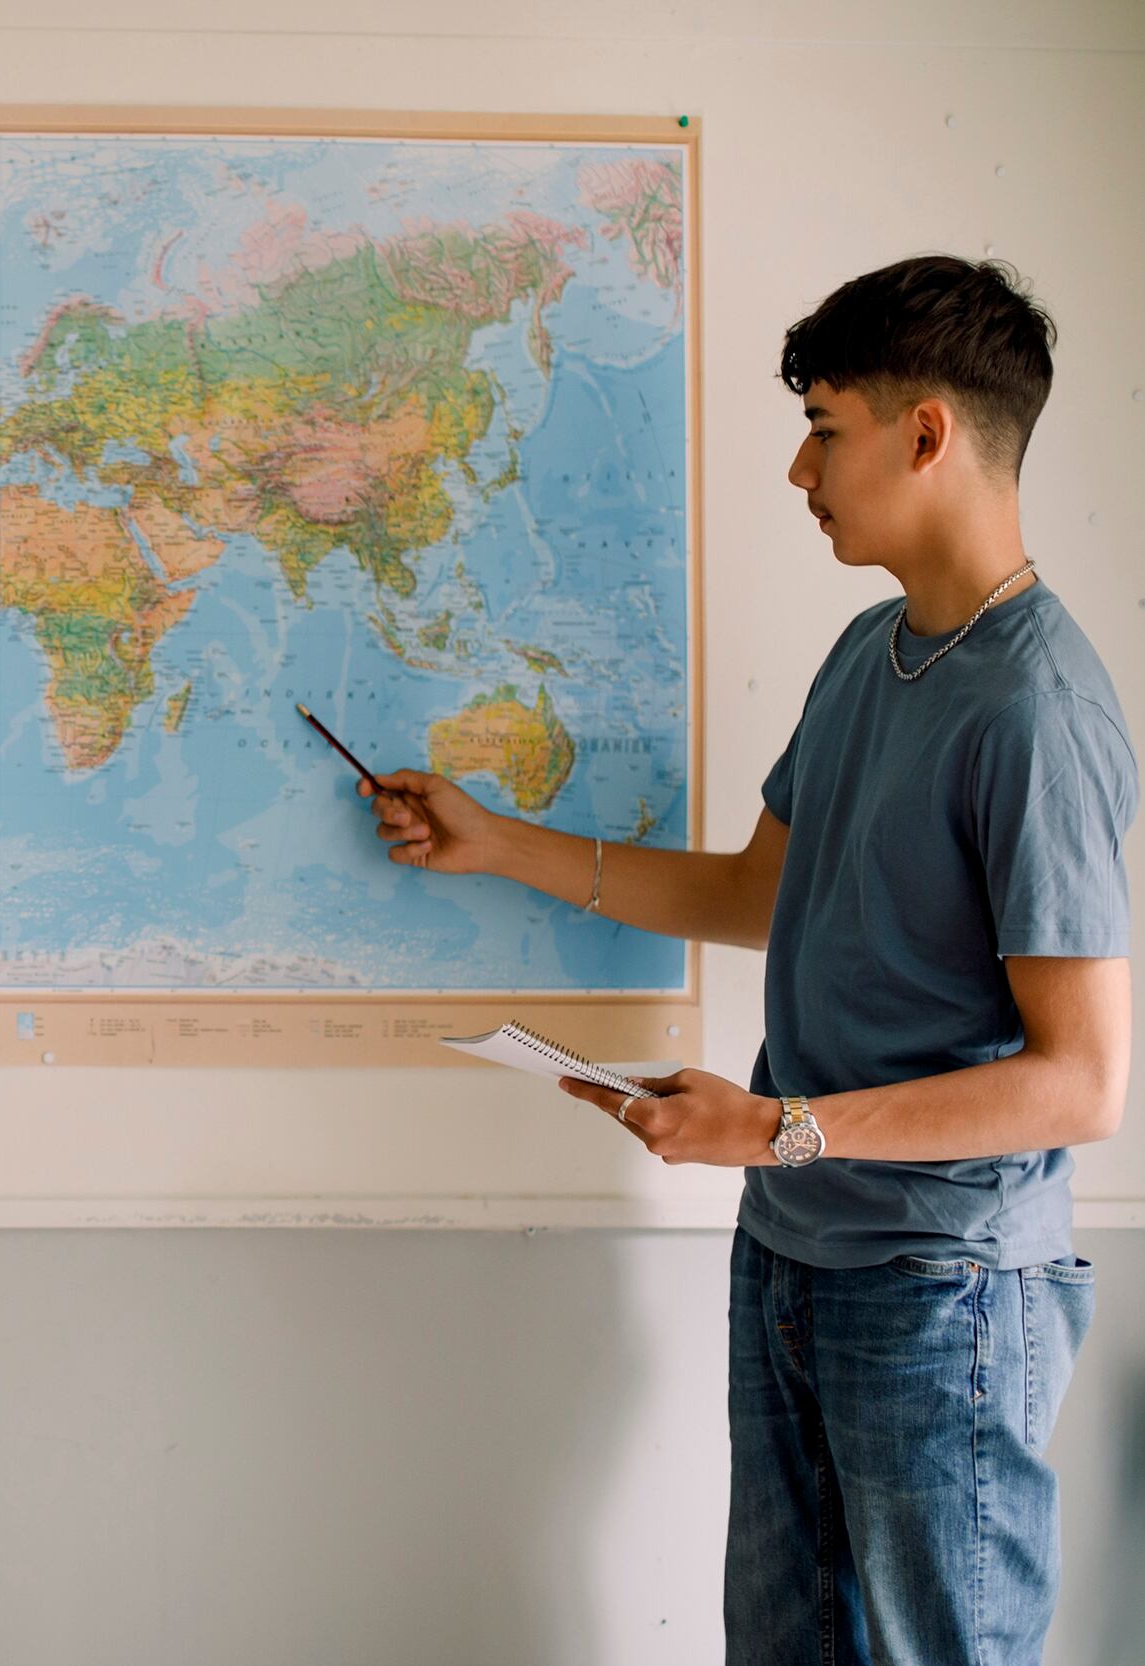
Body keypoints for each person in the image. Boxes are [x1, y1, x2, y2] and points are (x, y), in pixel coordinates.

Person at [363, 256, 1129, 1663]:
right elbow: (757, 890)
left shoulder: (1039, 709)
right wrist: (498, 844)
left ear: (926, 434)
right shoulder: (865, 655)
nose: (798, 466)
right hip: (790, 1260)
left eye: (824, 427)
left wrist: (778, 1126)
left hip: (940, 1292)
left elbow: (1082, 1083)